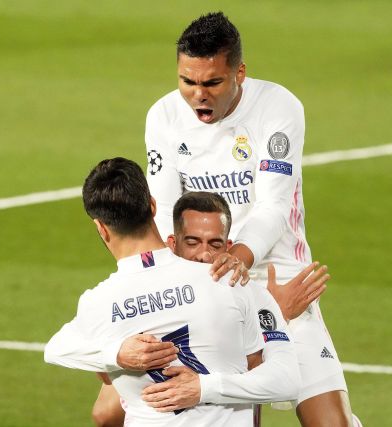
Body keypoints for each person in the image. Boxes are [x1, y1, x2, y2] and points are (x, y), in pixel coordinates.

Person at [145, 12, 356, 426]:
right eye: (187, 82)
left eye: (211, 83)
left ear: (239, 72)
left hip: (276, 277)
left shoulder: (277, 107)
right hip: (204, 284)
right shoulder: (164, 117)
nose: (197, 96)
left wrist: (240, 259)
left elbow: (274, 206)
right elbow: (169, 223)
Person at [44, 158, 301, 426]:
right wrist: (205, 388)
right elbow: (287, 380)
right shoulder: (232, 281)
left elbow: (55, 349)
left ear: (101, 228)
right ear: (153, 207)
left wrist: (115, 353)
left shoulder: (97, 305)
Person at [92, 191, 330, 426]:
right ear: (173, 245)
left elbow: (278, 378)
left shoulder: (242, 293)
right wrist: (116, 354)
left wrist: (273, 315)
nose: (204, 255)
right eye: (192, 242)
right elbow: (105, 399)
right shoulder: (146, 292)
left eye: (214, 244)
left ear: (228, 248)